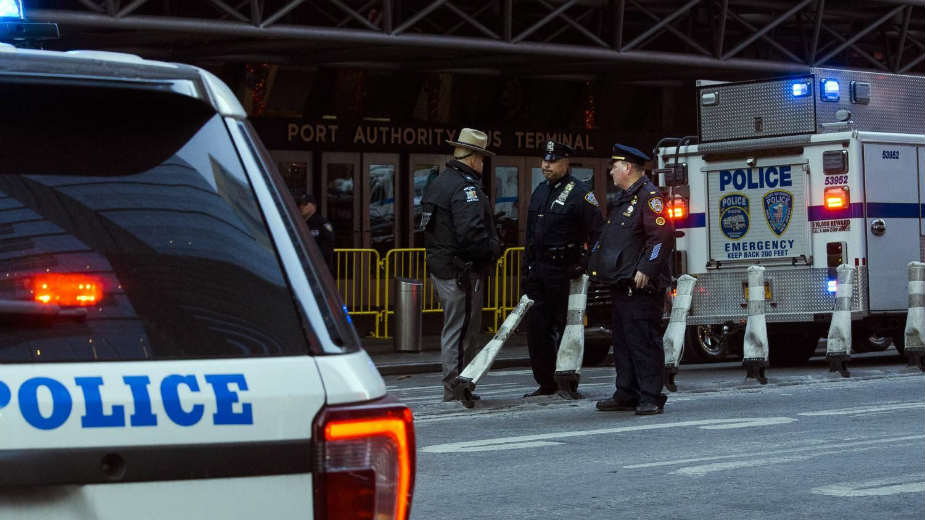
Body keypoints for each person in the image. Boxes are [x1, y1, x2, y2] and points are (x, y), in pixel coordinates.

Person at [590, 144, 674, 415]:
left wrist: (647, 268)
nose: (611, 171)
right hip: (622, 283)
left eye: (614, 166)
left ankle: (650, 395)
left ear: (627, 167)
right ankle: (626, 391)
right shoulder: (624, 199)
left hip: (641, 287)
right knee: (624, 341)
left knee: (643, 340)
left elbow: (661, 236)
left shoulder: (650, 197)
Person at [420, 128, 501, 402]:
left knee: (455, 327)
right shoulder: (465, 188)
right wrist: (492, 251)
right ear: (474, 158)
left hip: (443, 268)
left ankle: (455, 385)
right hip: (461, 272)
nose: (482, 165)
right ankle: (457, 386)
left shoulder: (439, 182)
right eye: (482, 158)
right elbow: (472, 235)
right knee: (463, 330)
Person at [523, 140, 602, 397]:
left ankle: (568, 381)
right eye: (544, 160)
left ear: (566, 162)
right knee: (537, 330)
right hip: (540, 270)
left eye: (552, 160)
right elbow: (531, 235)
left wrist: (584, 264)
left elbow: (598, 234)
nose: (546, 165)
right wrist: (528, 267)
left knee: (567, 329)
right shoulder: (540, 191)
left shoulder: (581, 193)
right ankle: (546, 382)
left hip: (565, 271)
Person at [297, 192, 335, 271]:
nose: (301, 207)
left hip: (320, 268)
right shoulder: (299, 223)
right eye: (300, 204)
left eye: (305, 204)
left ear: (313, 206)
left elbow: (328, 244)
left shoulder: (322, 223)